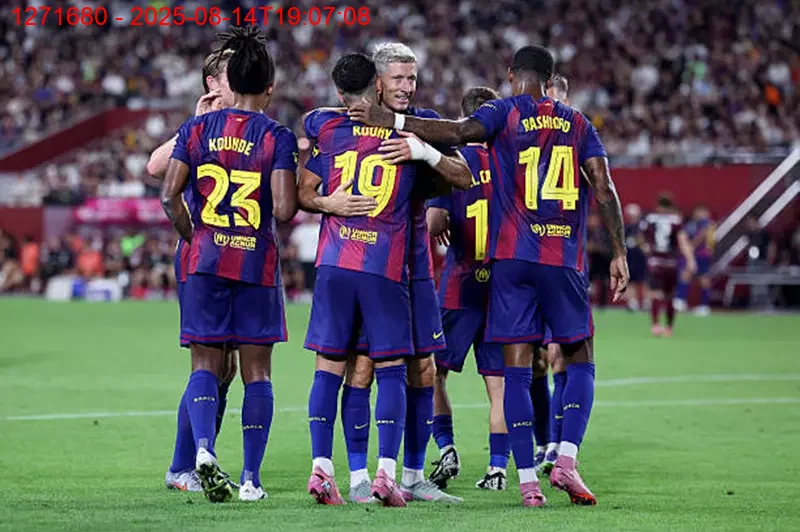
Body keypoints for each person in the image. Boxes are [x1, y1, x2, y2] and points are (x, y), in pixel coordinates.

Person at [348, 45, 630, 507]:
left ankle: (528, 486)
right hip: (562, 258)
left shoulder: (503, 112)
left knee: (514, 370)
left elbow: (459, 132)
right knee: (579, 357)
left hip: (511, 261)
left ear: (511, 74)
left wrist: (393, 121)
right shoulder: (579, 123)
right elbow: (603, 187)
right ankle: (565, 458)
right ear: (550, 80)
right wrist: (618, 251)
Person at [161, 26, 298, 503]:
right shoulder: (276, 135)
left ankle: (202, 451)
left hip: (205, 261)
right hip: (255, 264)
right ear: (269, 88)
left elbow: (168, 194)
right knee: (257, 372)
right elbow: (285, 210)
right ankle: (251, 480)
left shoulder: (196, 129)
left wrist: (194, 236)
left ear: (229, 83)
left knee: (205, 363)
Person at [338, 43, 470, 505]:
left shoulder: (423, 123)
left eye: (411, 78)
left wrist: (424, 151)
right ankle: (359, 476)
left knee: (424, 368)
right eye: (398, 78)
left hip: (415, 269)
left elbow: (463, 175)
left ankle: (412, 476)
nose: (407, 87)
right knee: (363, 366)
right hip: (367, 263)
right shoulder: (346, 124)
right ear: (378, 82)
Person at [147, 48, 240, 494]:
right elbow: (154, 166)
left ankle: (202, 460)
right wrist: (193, 122)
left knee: (228, 368)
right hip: (201, 256)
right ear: (212, 84)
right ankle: (184, 465)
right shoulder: (201, 127)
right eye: (231, 75)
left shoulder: (246, 124)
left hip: (238, 257)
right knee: (209, 361)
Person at [426, 86, 510, 491]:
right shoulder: (511, 162)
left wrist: (445, 223)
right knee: (499, 384)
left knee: (434, 372)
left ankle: (446, 448)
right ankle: (497, 469)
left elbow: (433, 224)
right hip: (502, 289)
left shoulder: (455, 160)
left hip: (460, 285)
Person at [640, 193, 696, 337]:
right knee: (669, 296)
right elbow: (683, 241)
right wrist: (690, 260)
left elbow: (641, 238)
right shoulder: (676, 221)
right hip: (671, 263)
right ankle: (669, 328)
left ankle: (656, 325)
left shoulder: (650, 219)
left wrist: (646, 248)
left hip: (655, 262)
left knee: (655, 294)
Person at [674, 205, 715, 315]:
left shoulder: (707, 223)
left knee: (703, 278)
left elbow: (703, 235)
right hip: (692, 253)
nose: (700, 214)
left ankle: (704, 305)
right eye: (699, 211)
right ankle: (680, 300)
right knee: (686, 274)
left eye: (703, 211)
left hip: (702, 255)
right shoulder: (691, 224)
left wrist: (692, 246)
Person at [624, 203, 649, 312]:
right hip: (629, 256)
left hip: (641, 257)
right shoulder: (626, 228)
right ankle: (632, 303)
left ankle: (646, 302)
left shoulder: (643, 226)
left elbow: (645, 241)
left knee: (643, 280)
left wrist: (643, 245)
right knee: (630, 280)